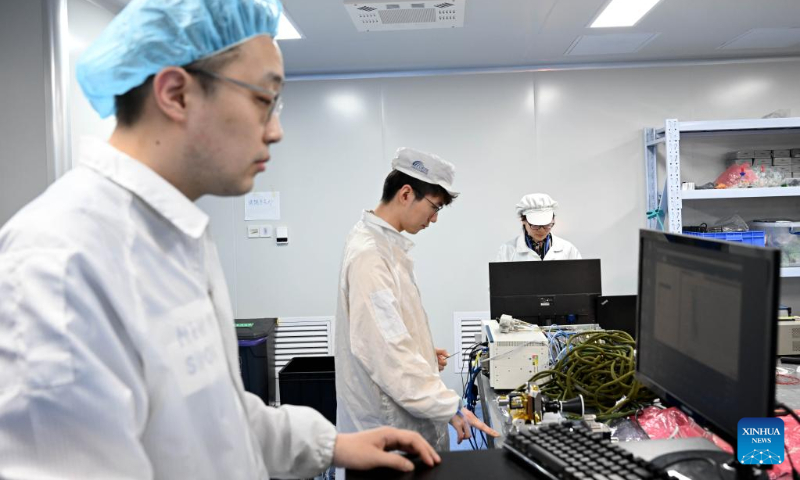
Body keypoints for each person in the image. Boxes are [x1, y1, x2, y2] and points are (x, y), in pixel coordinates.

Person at [0, 1, 440, 478]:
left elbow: (218, 415)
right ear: (176, 94)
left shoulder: (176, 237)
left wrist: (332, 443)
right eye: (262, 99)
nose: (275, 130)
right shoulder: (61, 262)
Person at [334, 147, 499, 455]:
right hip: (386, 427)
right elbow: (387, 352)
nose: (434, 219)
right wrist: (449, 406)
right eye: (434, 207)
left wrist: (423, 349)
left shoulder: (384, 245)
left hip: (395, 416)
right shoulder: (370, 254)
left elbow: (387, 328)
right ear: (406, 193)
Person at [496, 193, 582, 262]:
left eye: (547, 225)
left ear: (553, 220)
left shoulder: (567, 249)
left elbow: (579, 280)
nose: (541, 230)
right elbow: (499, 282)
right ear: (523, 221)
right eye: (535, 225)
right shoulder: (507, 250)